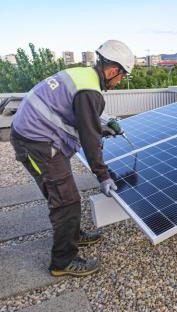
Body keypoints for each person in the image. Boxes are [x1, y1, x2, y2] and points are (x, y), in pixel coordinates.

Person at [10, 40, 134, 277]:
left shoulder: (82, 75)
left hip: (37, 135)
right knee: (66, 201)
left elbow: (77, 114)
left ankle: (73, 235)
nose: (120, 82)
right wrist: (103, 175)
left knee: (62, 193)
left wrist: (100, 126)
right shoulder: (90, 91)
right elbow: (90, 140)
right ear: (111, 70)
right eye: (121, 76)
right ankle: (62, 262)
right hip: (36, 143)